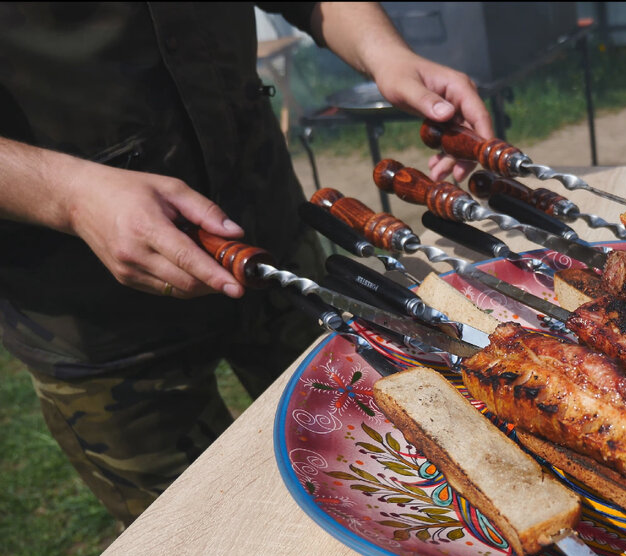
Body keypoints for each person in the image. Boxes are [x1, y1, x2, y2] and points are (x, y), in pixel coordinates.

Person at [0, 2, 494, 527]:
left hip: (272, 240)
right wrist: (66, 195)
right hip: (87, 310)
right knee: (200, 539)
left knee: (388, 473)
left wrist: (386, 53)